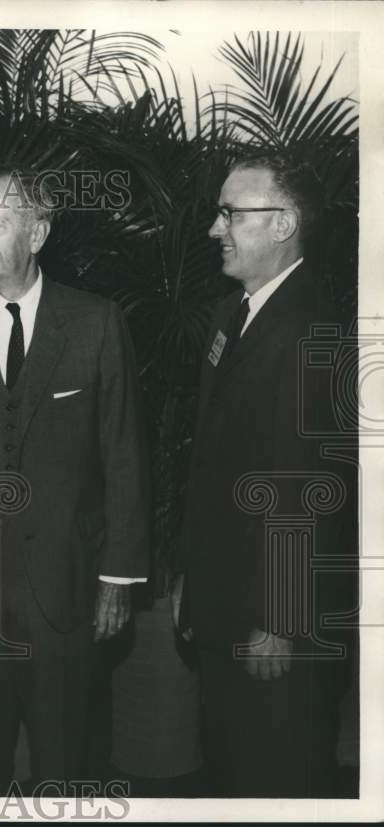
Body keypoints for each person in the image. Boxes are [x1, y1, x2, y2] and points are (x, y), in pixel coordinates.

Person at [0, 165, 150, 792]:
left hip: (65, 593)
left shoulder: (95, 323)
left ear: (36, 232)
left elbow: (123, 454)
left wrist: (118, 576)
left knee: (63, 769)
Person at [171, 152, 356, 796]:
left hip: (276, 624)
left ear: (284, 224)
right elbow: (214, 465)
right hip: (225, 606)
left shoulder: (313, 329)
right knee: (231, 771)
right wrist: (193, 580)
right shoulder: (234, 315)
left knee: (278, 778)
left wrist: (279, 618)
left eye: (231, 213)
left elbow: (308, 490)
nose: (215, 229)